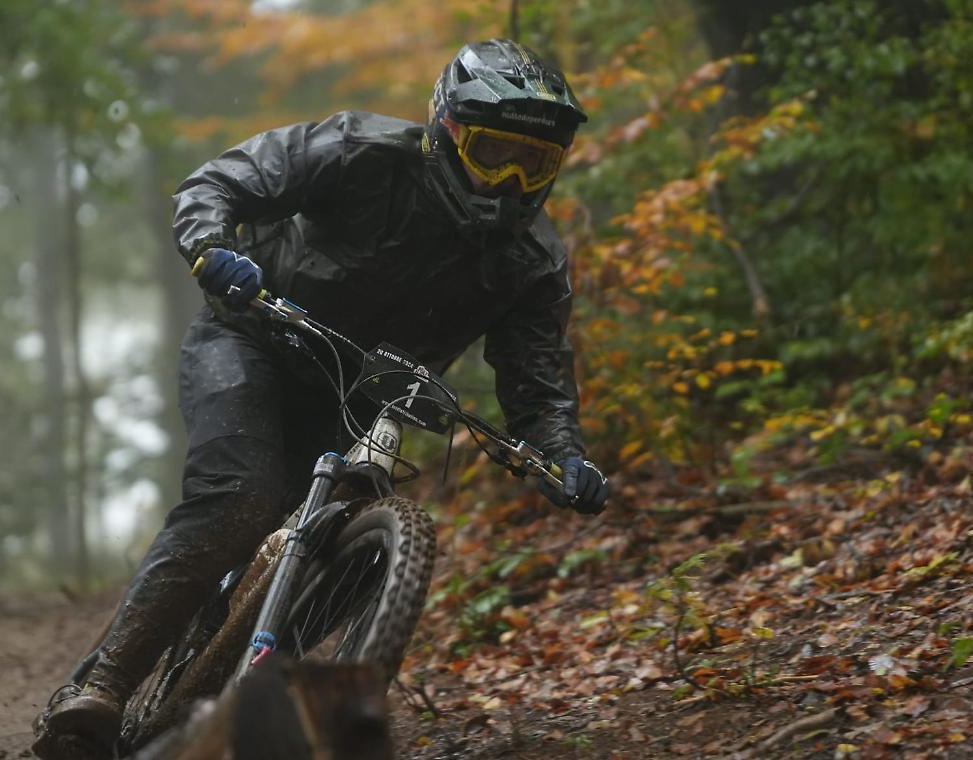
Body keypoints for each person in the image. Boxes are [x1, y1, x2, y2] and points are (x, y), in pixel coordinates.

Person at [33, 37, 609, 758]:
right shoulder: (358, 150)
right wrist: (213, 247)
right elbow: (221, 182)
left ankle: (258, 715)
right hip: (252, 342)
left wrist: (560, 453)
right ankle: (102, 686)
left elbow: (537, 375)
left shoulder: (534, 259)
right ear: (447, 132)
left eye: (538, 164)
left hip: (363, 397)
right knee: (240, 497)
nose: (514, 183)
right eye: (497, 155)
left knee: (355, 547)